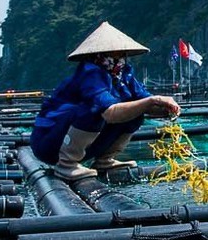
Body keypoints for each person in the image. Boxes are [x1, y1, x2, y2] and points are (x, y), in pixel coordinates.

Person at [29, 22, 182, 180]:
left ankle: (104, 160)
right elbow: (109, 113)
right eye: (115, 54)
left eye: (122, 54)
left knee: (136, 112)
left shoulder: (124, 75)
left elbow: (144, 101)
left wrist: (165, 108)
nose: (120, 59)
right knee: (94, 110)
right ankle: (66, 164)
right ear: (99, 55)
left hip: (82, 142)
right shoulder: (90, 74)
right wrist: (153, 100)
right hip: (50, 143)